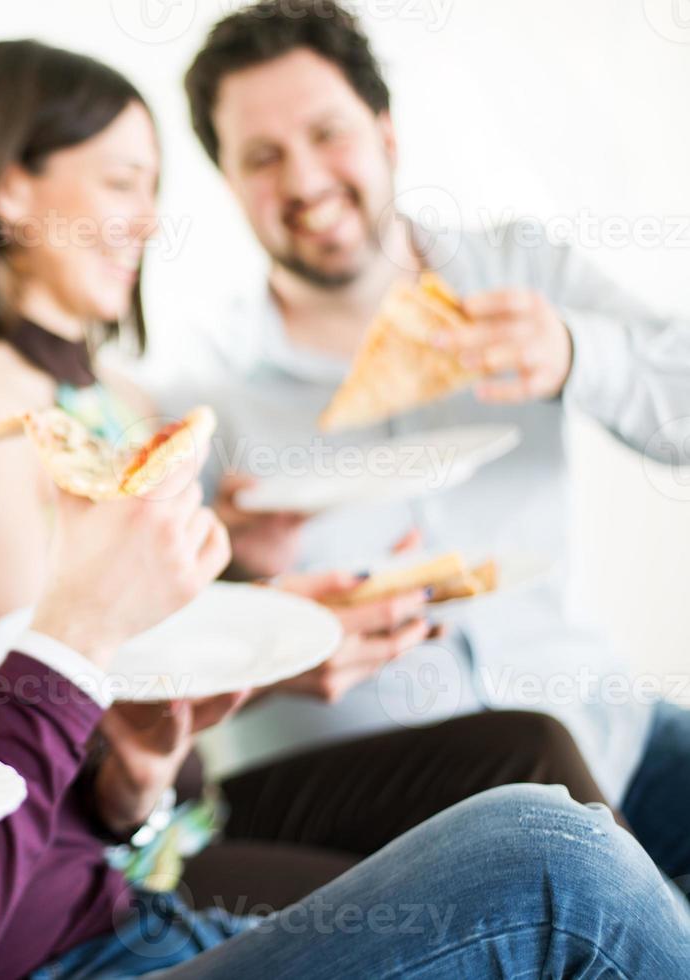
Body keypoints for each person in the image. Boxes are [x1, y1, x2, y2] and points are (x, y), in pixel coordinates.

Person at [0, 117, 690, 979]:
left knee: (538, 776)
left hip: (130, 908)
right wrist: (76, 639)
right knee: (553, 863)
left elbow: (18, 787)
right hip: (87, 956)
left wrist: (129, 780)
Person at [0, 38, 620, 897]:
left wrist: (242, 563)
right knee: (529, 853)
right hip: (119, 855)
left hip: (187, 807)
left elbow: (136, 613)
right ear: (13, 184)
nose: (151, 220)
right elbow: (27, 694)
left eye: (155, 189)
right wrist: (275, 655)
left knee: (526, 750)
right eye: (122, 183)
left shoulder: (108, 389)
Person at [156, 0, 690, 892]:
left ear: (387, 133)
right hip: (396, 801)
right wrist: (235, 570)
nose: (304, 179)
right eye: (262, 157)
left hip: (602, 720)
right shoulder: (197, 395)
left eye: (328, 133)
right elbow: (153, 651)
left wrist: (573, 351)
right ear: (229, 183)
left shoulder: (520, 273)